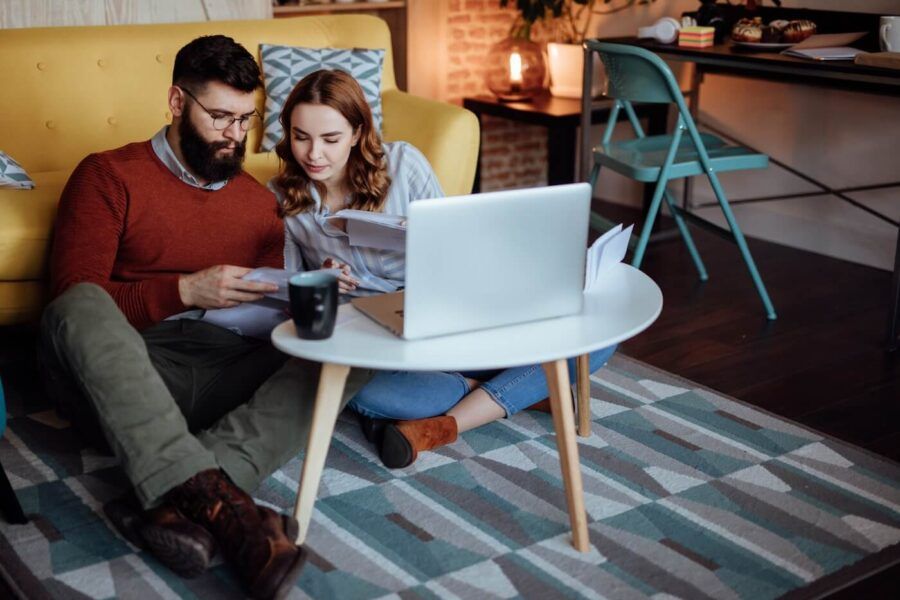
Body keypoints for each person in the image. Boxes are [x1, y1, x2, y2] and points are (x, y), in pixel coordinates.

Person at [38, 36, 372, 599]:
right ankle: (235, 513)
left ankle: (185, 497)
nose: (234, 135)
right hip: (127, 370)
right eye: (219, 116)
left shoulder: (258, 202)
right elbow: (74, 300)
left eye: (246, 119)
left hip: (223, 365)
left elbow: (269, 304)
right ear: (176, 102)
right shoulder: (107, 175)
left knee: (355, 335)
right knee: (78, 304)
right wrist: (183, 291)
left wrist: (305, 297)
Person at [270, 69, 615, 470]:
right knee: (361, 395)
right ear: (287, 133)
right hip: (380, 337)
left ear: (357, 132)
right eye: (301, 137)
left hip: (448, 309)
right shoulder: (283, 199)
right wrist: (323, 281)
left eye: (330, 139)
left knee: (596, 330)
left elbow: (460, 248)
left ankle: (447, 422)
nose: (314, 154)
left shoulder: (402, 164)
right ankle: (511, 390)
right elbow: (289, 294)